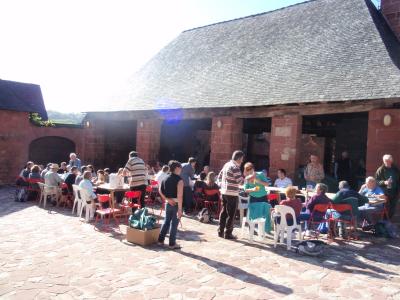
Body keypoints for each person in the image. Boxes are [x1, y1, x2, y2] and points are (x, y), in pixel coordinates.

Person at [217, 150, 244, 239]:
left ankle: (220, 231)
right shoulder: (235, 167)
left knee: (224, 212)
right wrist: (249, 177)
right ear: (239, 158)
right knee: (231, 214)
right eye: (242, 159)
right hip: (232, 193)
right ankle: (228, 233)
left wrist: (223, 186)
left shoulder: (227, 165)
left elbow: (219, 176)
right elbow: (240, 182)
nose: (242, 161)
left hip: (224, 192)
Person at [158, 160, 183, 250]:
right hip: (176, 203)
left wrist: (167, 199)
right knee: (174, 224)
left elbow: (160, 190)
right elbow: (180, 196)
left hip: (168, 203)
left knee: (166, 222)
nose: (181, 170)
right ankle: (172, 243)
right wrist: (180, 210)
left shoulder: (165, 178)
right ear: (176, 168)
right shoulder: (179, 180)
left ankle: (160, 240)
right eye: (180, 168)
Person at [375, 154, 400, 219]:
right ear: (383, 161)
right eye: (386, 161)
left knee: (392, 208)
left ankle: (387, 221)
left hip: (394, 192)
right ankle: (384, 221)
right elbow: (377, 181)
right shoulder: (380, 170)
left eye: (389, 161)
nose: (387, 162)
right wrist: (384, 182)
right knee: (385, 208)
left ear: (391, 161)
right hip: (385, 192)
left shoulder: (395, 169)